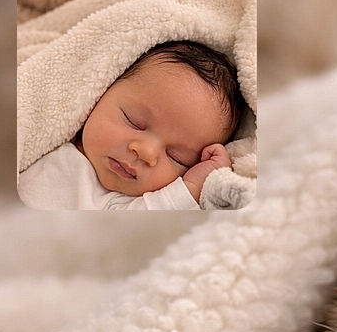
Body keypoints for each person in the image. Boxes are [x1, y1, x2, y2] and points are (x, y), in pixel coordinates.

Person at [17, 40, 244, 210]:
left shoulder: (125, 204)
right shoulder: (41, 136)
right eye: (134, 121)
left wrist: (194, 185)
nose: (145, 152)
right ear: (102, 89)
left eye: (176, 157)